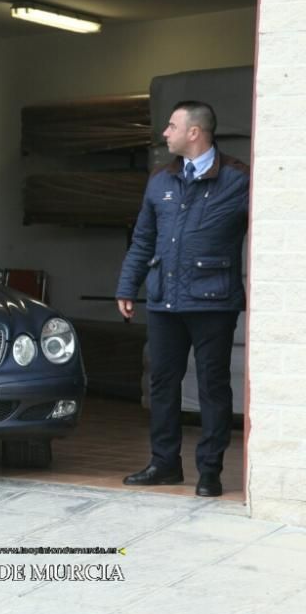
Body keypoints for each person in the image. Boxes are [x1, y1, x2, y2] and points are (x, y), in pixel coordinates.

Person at [116, 100, 249, 497]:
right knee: (161, 383)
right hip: (164, 300)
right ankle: (164, 464)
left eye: (171, 126)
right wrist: (128, 285)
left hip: (213, 301)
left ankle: (210, 471)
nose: (164, 133)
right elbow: (143, 239)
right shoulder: (160, 180)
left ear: (195, 132)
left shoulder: (239, 178)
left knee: (212, 386)